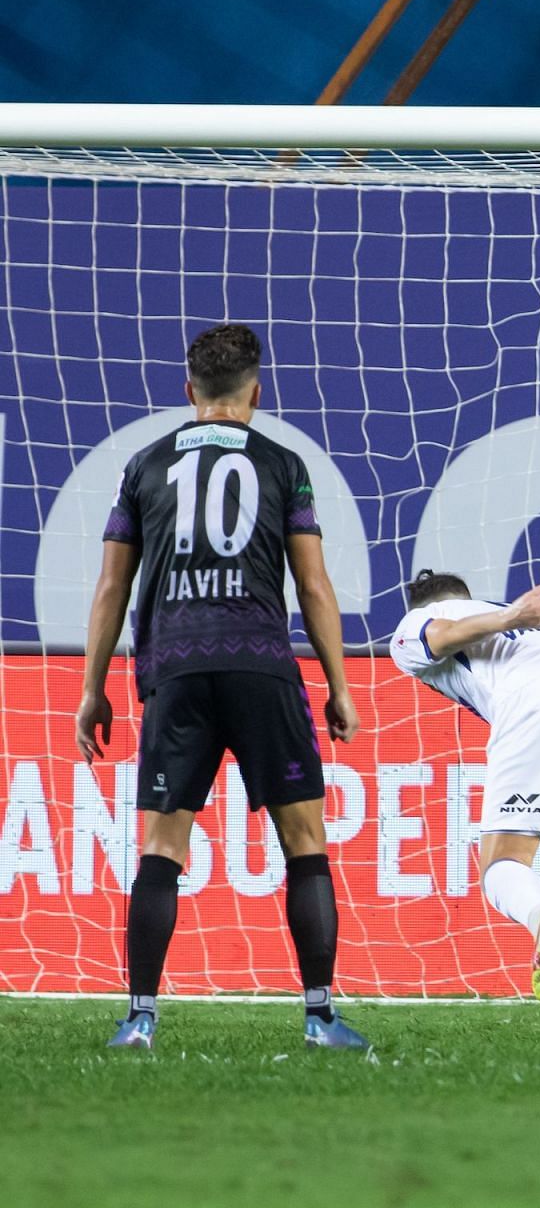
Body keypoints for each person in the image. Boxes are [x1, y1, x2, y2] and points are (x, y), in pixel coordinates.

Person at [76, 322, 365, 1050]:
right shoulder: (281, 462)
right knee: (304, 840)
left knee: (161, 848)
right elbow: (315, 584)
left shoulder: (143, 464)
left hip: (175, 668)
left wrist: (92, 688)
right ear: (255, 393)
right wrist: (339, 684)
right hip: (261, 665)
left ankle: (140, 1017)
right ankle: (320, 1017)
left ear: (189, 392)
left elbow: (112, 585)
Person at [390, 570, 540, 1040]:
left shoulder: (421, 619)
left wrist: (509, 616)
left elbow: (439, 636)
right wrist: (513, 616)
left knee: (504, 862)